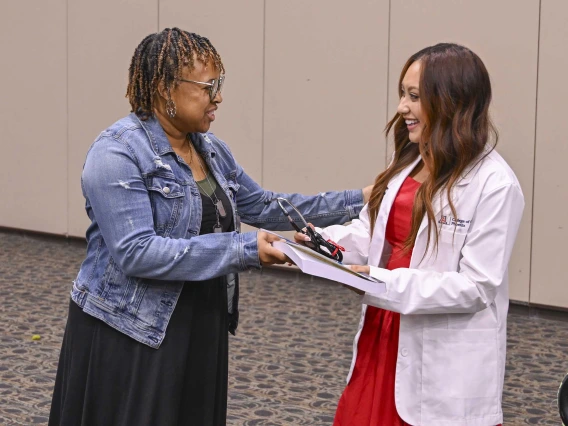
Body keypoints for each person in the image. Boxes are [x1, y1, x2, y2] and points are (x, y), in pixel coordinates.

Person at [48, 27, 372, 426]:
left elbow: (268, 206)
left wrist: (363, 198)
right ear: (166, 88)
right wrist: (245, 249)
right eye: (208, 86)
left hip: (201, 319)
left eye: (220, 84)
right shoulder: (116, 152)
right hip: (133, 329)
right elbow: (137, 252)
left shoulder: (212, 149)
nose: (218, 97)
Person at [295, 43, 524, 426]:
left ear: (451, 102)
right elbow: (375, 234)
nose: (402, 107)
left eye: (414, 97)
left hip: (438, 349)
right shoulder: (411, 160)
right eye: (403, 94)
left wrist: (382, 282)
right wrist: (326, 244)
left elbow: (477, 286)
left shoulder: (496, 185)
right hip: (384, 332)